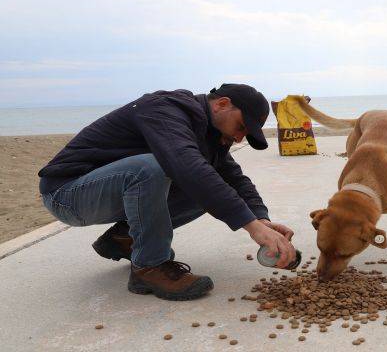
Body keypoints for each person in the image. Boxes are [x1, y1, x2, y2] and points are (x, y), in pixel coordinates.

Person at [37, 83, 297, 301]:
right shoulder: (164, 109)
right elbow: (187, 165)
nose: (240, 138)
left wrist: (261, 219)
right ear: (221, 104)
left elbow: (235, 180)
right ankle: (149, 268)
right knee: (153, 168)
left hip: (106, 192)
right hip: (67, 194)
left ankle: (124, 238)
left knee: (209, 186)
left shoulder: (211, 135)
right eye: (241, 127)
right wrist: (251, 227)